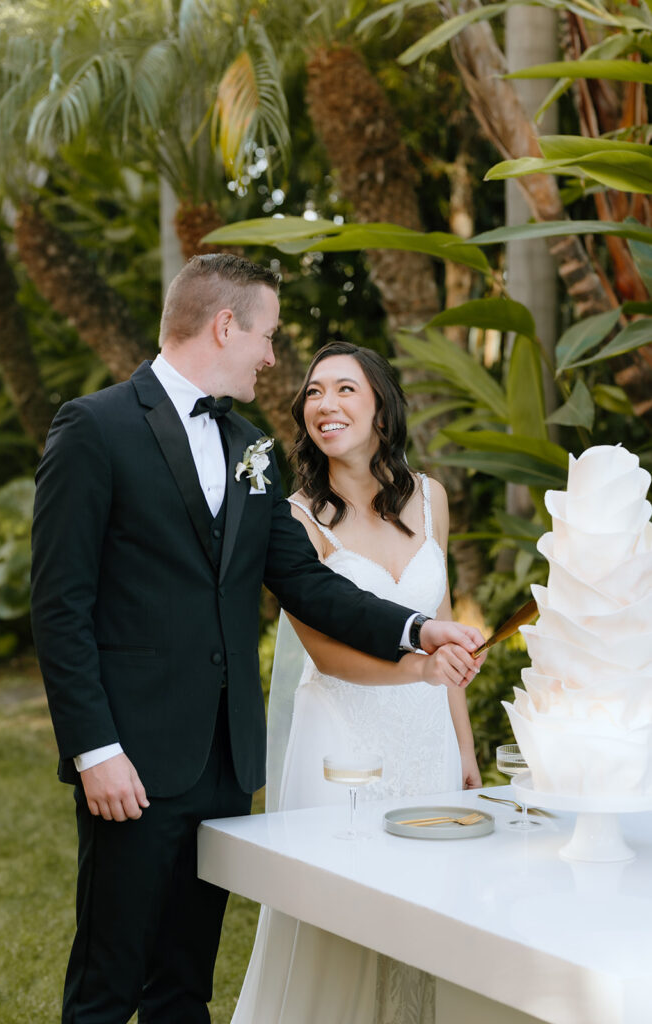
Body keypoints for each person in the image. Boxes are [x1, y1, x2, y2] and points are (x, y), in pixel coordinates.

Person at [30, 255, 484, 1024]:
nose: (274, 358)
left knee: (185, 980)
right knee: (110, 978)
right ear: (225, 326)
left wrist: (415, 625)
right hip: (132, 756)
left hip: (223, 761)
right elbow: (59, 605)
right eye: (268, 336)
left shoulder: (254, 447)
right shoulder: (95, 426)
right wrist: (94, 750)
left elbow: (306, 582)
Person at [232, 340, 484, 1024]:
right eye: (313, 392)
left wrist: (462, 749)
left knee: (434, 911)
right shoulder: (293, 519)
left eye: (344, 389)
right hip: (341, 747)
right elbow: (328, 652)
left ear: (380, 407)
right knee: (341, 923)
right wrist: (422, 666)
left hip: (426, 738)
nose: (325, 404)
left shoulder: (429, 497)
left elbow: (441, 625)